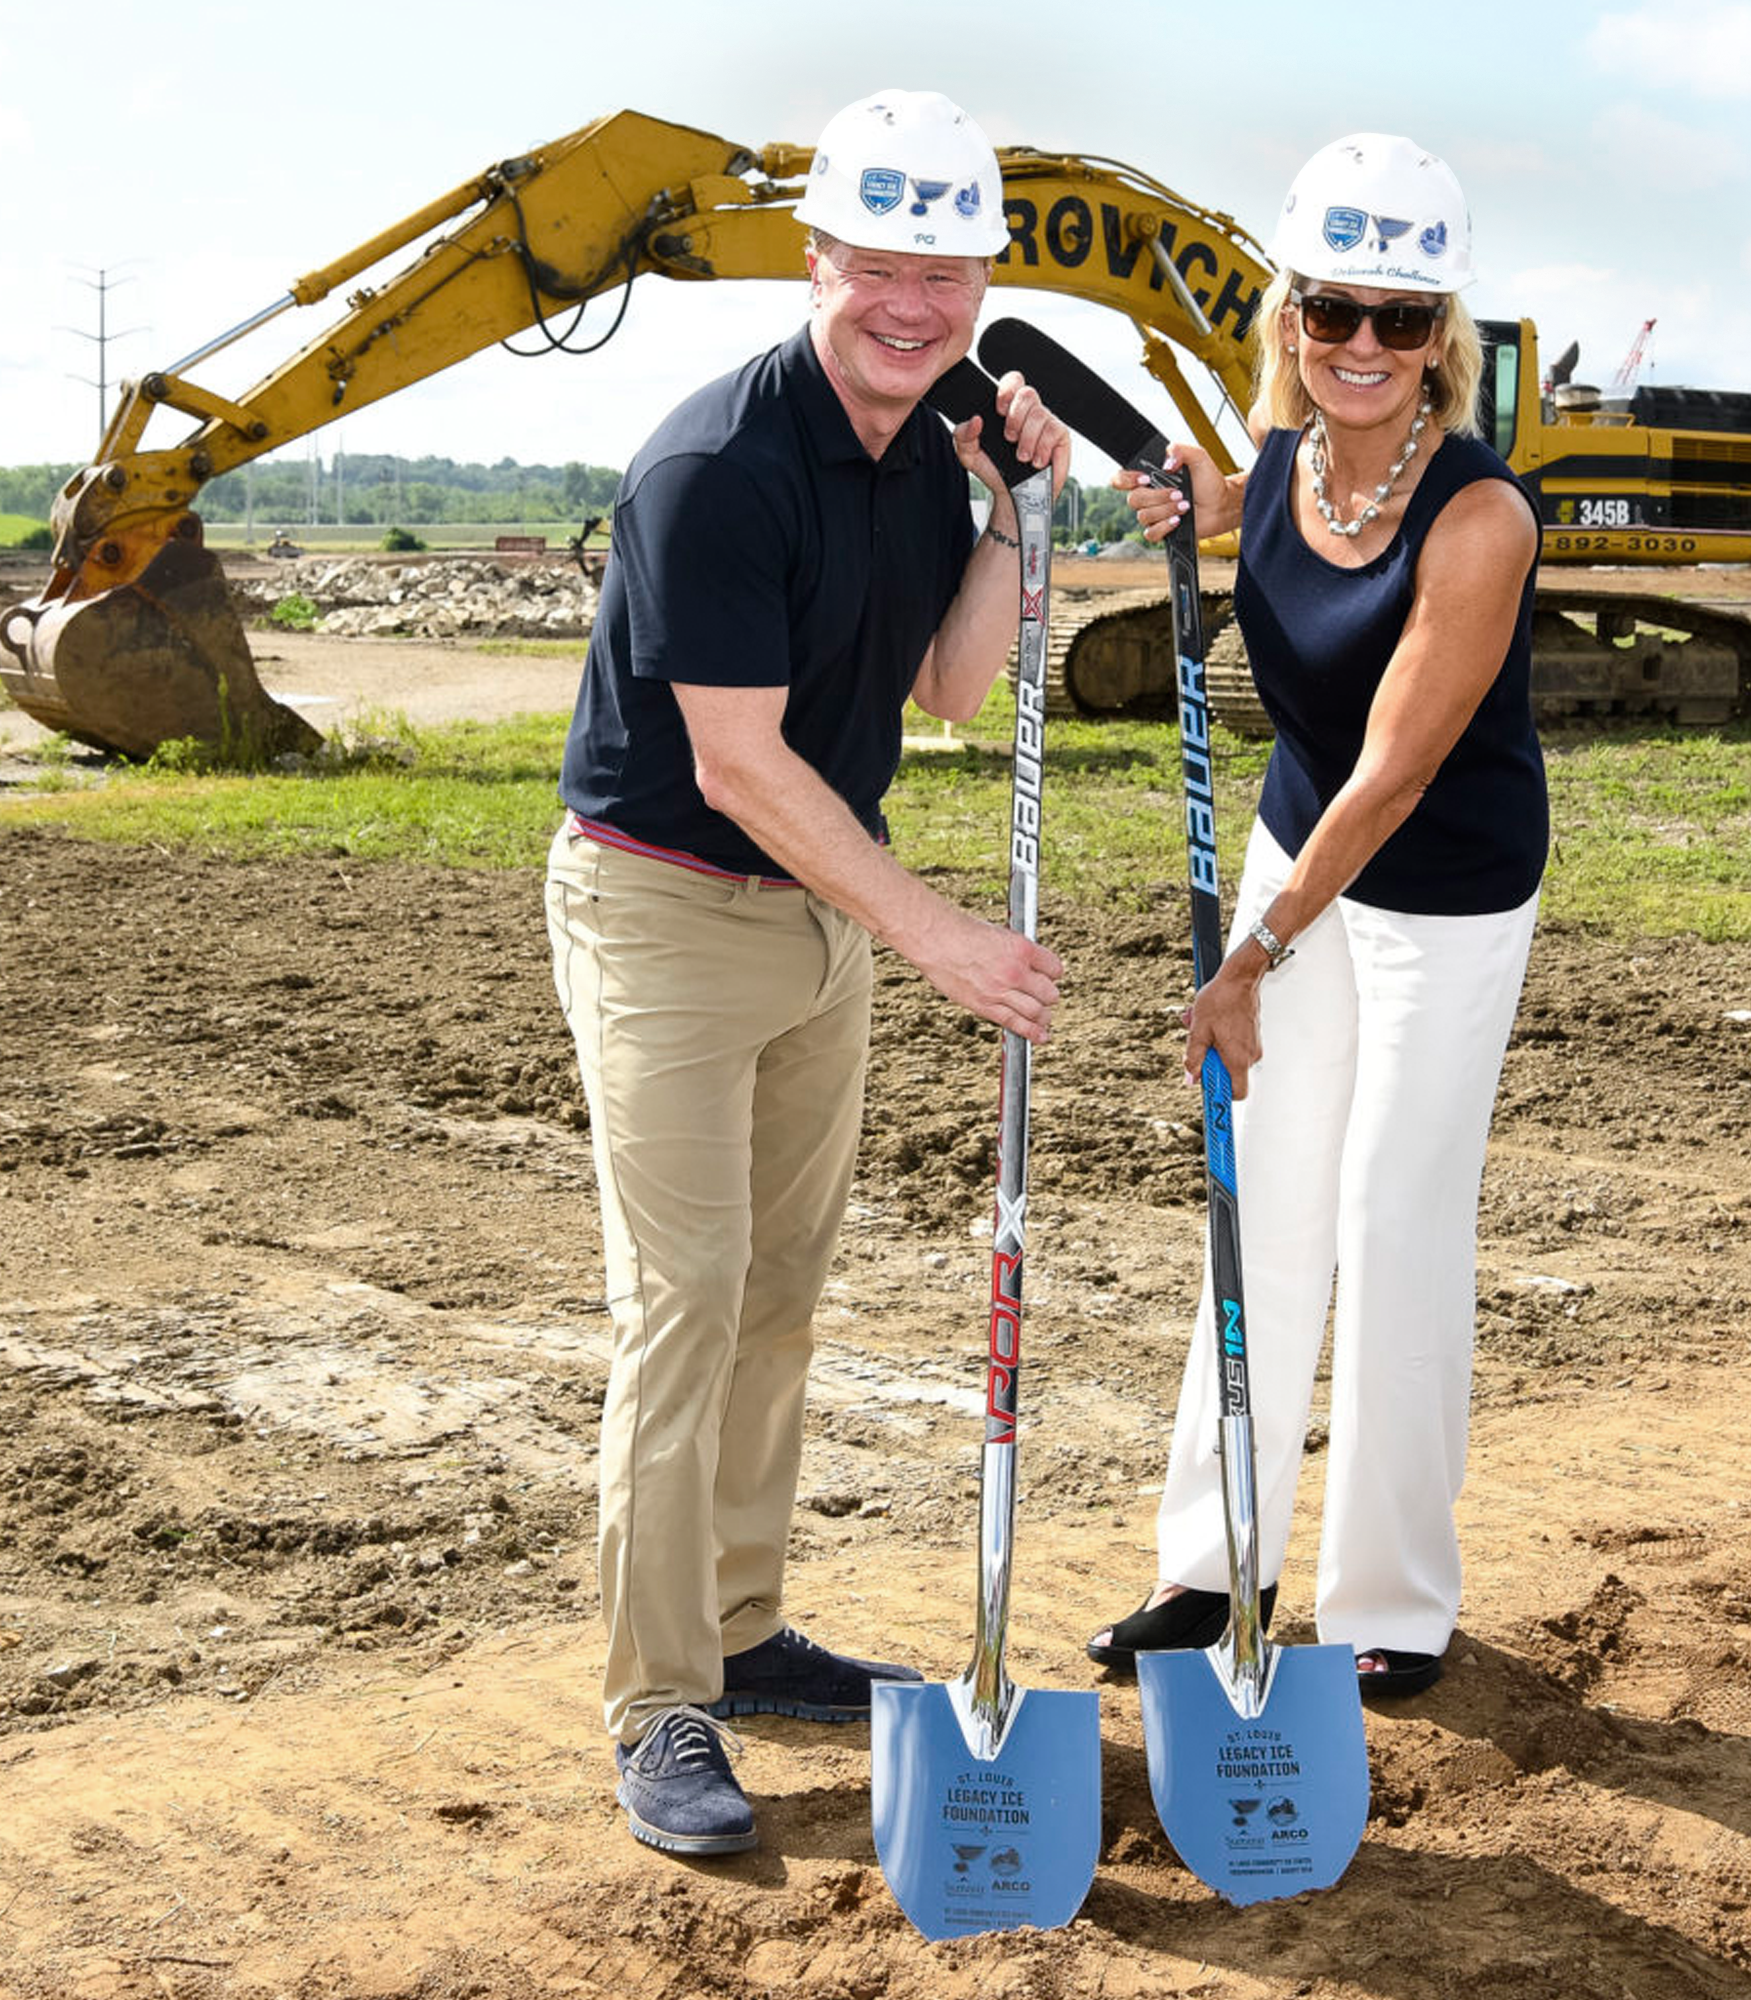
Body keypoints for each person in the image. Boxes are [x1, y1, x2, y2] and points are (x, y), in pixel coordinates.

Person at [546, 88, 1069, 1858]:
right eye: (877, 265)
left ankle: (746, 1626)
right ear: (814, 257)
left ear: (981, 275)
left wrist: (1010, 524)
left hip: (821, 919)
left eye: (946, 269)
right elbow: (740, 766)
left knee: (780, 1289)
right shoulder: (714, 466)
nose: (910, 303)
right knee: (682, 1302)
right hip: (671, 907)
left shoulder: (933, 453)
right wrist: (943, 938)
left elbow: (943, 694)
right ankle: (658, 1699)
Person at [1085, 133, 1545, 1698]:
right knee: (1261, 1203)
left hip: (1438, 885)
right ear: (1288, 318)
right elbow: (1212, 499)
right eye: (1333, 310)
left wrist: (1251, 953)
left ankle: (1389, 1604)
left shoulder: (1483, 517)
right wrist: (1156, 492)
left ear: (1444, 341)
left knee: (1392, 1218)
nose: (1362, 345)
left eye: (1400, 320)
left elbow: (1398, 774)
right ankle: (1213, 1572)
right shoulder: (1282, 466)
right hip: (1300, 850)